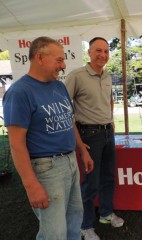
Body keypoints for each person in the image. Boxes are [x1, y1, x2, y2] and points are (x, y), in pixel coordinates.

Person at [3, 36, 94, 240]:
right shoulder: (19, 92)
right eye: (59, 60)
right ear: (40, 58)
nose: (64, 65)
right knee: (54, 233)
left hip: (70, 161)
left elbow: (69, 122)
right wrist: (31, 185)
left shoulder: (59, 86)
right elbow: (16, 145)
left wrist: (81, 150)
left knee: (74, 221)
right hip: (46, 168)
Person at [65, 37, 124, 240]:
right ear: (89, 52)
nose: (103, 55)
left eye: (106, 51)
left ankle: (106, 213)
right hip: (89, 135)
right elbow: (65, 112)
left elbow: (109, 101)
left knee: (108, 177)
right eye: (98, 50)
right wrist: (79, 143)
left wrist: (111, 123)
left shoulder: (107, 75)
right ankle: (85, 225)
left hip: (108, 133)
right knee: (90, 183)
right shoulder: (76, 76)